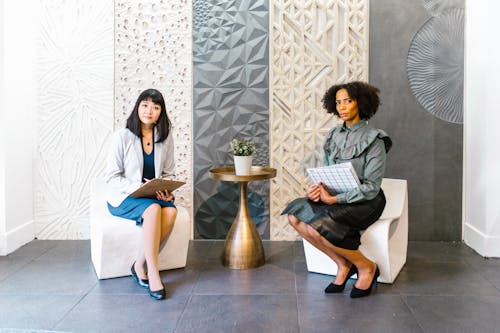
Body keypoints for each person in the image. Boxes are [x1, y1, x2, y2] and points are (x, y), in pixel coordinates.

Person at [282, 81, 392, 298]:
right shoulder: (333, 135)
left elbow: (371, 188)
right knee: (294, 216)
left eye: (348, 101)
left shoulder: (375, 139)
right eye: (338, 102)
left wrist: (333, 200)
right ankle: (342, 264)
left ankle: (366, 266)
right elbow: (328, 172)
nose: (342, 107)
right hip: (335, 196)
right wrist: (318, 189)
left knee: (316, 225)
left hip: (366, 202)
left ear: (360, 103)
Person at [105, 88, 178, 300]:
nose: (149, 110)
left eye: (156, 107)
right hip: (124, 197)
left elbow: (169, 172)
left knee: (171, 212)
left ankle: (138, 264)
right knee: (153, 209)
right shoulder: (122, 137)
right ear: (138, 107)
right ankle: (153, 273)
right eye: (145, 105)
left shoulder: (165, 138)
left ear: (161, 113)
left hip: (150, 196)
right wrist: (137, 186)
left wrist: (167, 193)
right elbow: (111, 177)